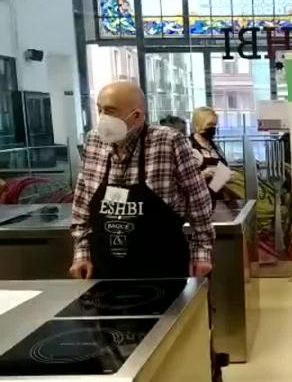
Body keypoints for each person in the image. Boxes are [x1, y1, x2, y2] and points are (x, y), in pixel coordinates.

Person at [70, 82, 214, 279]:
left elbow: (199, 200)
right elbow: (82, 202)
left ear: (136, 115)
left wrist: (202, 253)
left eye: (110, 111)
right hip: (105, 267)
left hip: (162, 265)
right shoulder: (94, 141)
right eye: (99, 110)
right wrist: (81, 252)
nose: (102, 117)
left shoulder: (168, 141)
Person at [190, 106, 231, 204]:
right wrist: (204, 174)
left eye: (214, 125)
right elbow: (185, 180)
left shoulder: (214, 146)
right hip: (200, 200)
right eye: (209, 125)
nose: (213, 128)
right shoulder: (189, 147)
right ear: (198, 124)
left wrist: (226, 174)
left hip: (219, 198)